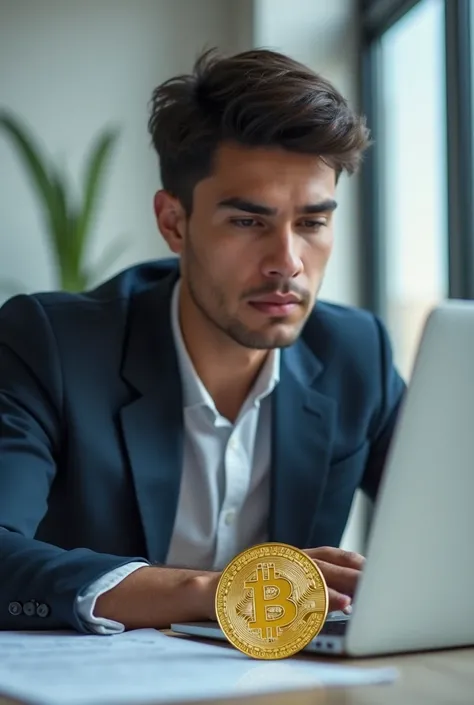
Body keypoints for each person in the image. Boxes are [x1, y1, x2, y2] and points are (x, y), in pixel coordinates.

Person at [0, 48, 405, 634]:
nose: (287, 262)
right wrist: (212, 590)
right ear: (174, 223)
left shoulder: (355, 352)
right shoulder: (50, 345)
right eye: (248, 222)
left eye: (313, 223)